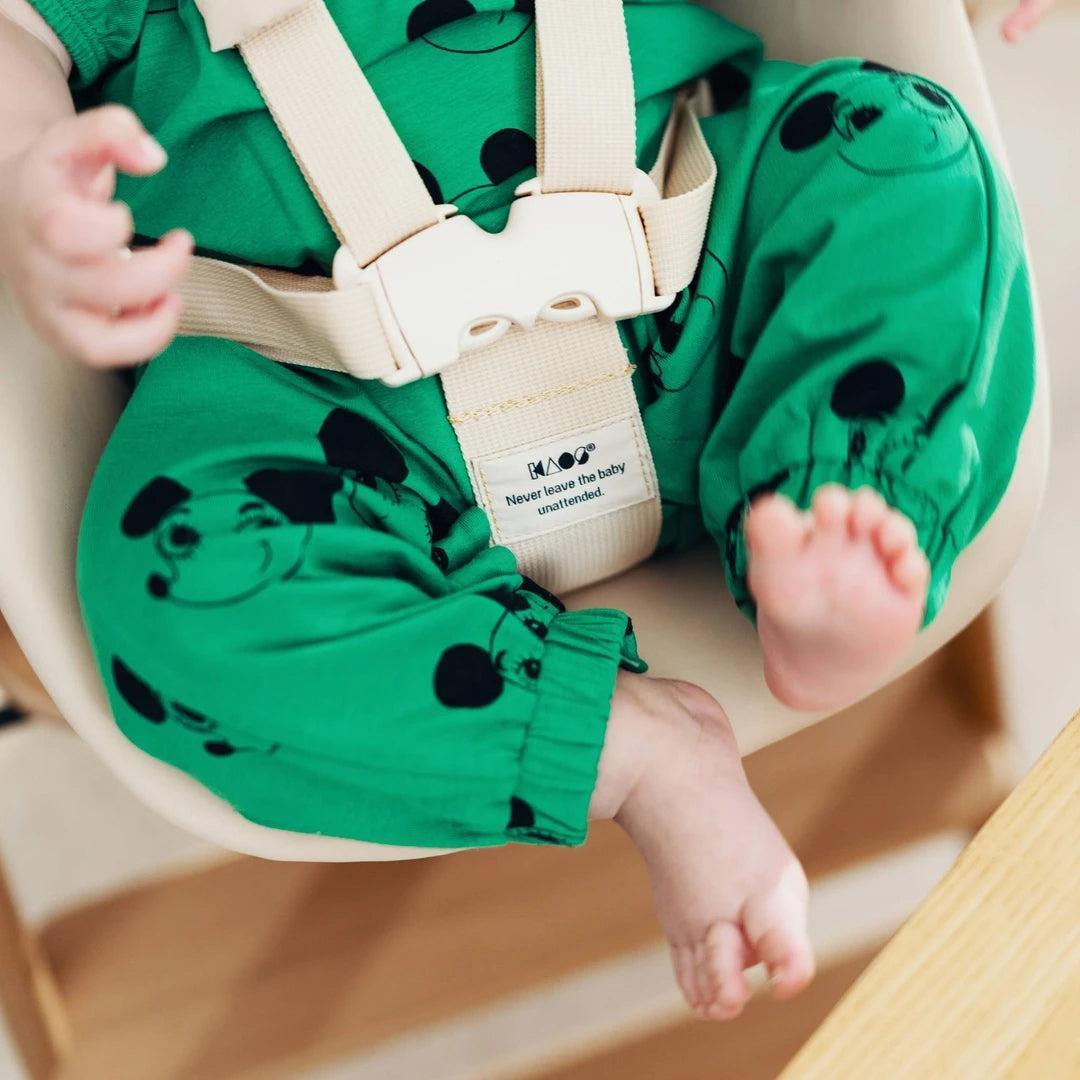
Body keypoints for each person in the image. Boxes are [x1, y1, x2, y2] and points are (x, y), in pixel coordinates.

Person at [0, 0, 1046, 1020]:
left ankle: (834, 517)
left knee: (909, 154)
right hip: (326, 417)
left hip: (692, 273)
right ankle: (627, 747)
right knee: (169, 596)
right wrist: (28, 176)